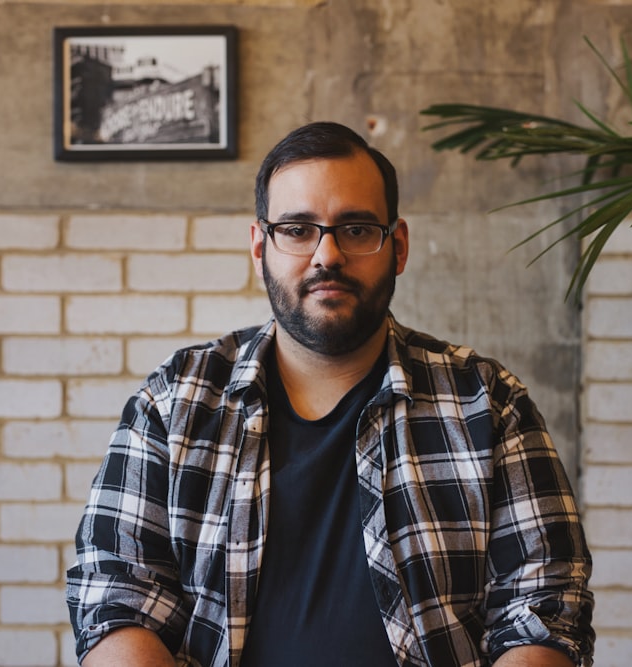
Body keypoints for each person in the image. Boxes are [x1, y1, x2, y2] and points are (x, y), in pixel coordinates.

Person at [66, 121, 595, 667]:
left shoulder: (488, 403)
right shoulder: (176, 401)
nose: (328, 255)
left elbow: (545, 608)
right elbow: (116, 597)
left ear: (399, 246)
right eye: (297, 229)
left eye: (358, 228)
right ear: (259, 247)